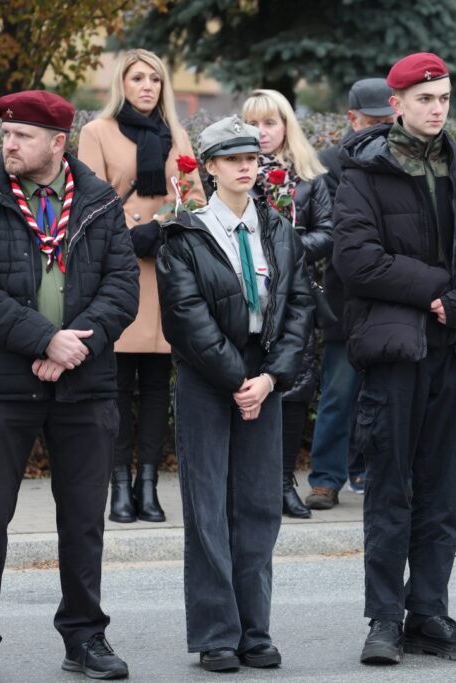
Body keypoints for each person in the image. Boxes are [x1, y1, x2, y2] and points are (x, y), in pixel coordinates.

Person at [0, 90, 139, 682]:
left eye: (22, 136)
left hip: (85, 385)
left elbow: (122, 287)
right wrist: (43, 339)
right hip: (4, 384)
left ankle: (85, 638)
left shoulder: (101, 202)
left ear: (58, 143)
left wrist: (74, 344)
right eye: (6, 134)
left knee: (83, 520)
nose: (8, 144)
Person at [333, 52, 456, 665]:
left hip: (455, 348)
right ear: (398, 104)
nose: (437, 110)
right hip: (396, 349)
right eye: (425, 99)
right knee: (391, 488)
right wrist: (436, 289)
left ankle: (428, 613)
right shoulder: (363, 172)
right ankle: (384, 618)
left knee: (441, 491)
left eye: (444, 99)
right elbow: (356, 259)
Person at [155, 116, 314, 670]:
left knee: (257, 505)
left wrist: (269, 379)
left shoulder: (281, 232)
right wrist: (235, 380)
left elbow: (298, 309)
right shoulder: (185, 234)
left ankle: (255, 630)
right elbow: (184, 316)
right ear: (211, 168)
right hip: (208, 375)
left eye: (252, 157)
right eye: (232, 158)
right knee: (208, 508)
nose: (246, 166)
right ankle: (216, 633)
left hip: (264, 374)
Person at [79, 48, 205, 525]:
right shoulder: (97, 132)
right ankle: (118, 489)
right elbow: (87, 199)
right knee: (116, 386)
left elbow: (194, 198)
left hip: (164, 269)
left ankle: (148, 485)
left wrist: (165, 224)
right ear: (123, 84)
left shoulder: (176, 135)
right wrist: (127, 235)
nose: (148, 86)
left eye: (155, 78)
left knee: (155, 385)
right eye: (137, 78)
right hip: (117, 270)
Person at [242, 89, 332, 519]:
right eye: (253, 124)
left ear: (285, 127)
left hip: (296, 297)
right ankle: (250, 481)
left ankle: (281, 481)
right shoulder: (230, 172)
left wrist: (285, 246)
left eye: (270, 123)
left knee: (295, 387)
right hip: (243, 297)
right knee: (247, 383)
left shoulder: (311, 178)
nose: (261, 133)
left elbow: (329, 233)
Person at [306, 78, 396, 509]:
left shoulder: (405, 158)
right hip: (346, 297)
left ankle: (377, 474)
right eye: (372, 122)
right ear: (352, 119)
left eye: (387, 121)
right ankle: (326, 478)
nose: (380, 129)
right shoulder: (328, 165)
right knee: (340, 393)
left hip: (395, 294)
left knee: (391, 395)